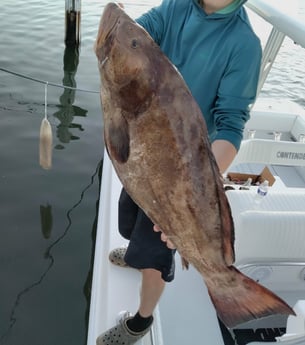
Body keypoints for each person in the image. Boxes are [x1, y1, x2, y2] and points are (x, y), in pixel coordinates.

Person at [97, 0, 262, 344]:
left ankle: (141, 321)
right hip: (144, 152)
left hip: (183, 169)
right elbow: (142, 34)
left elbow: (231, 126)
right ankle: (133, 255)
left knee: (155, 256)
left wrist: (195, 193)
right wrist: (121, 34)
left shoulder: (244, 44)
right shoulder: (178, 6)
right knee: (128, 221)